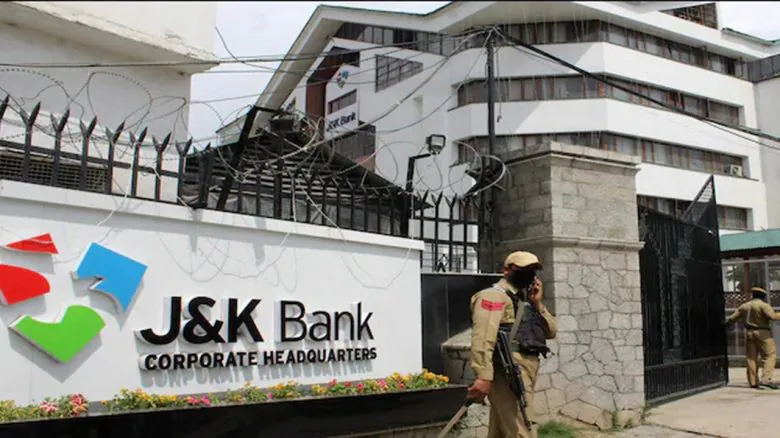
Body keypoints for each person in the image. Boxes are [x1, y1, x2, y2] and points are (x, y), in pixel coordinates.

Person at [467, 251, 557, 438]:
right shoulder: (493, 296)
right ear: (506, 270)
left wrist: (538, 304)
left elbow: (550, 331)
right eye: (524, 270)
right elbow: (484, 337)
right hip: (508, 372)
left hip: (525, 369)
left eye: (533, 270)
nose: (530, 275)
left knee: (501, 431)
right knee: (523, 430)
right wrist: (483, 376)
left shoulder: (522, 300)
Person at [725, 286, 780, 390]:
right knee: (769, 356)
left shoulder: (744, 306)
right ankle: (766, 379)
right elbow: (773, 317)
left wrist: (725, 325)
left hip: (749, 333)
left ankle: (753, 382)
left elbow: (732, 318)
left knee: (751, 358)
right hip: (763, 332)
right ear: (763, 296)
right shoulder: (763, 306)